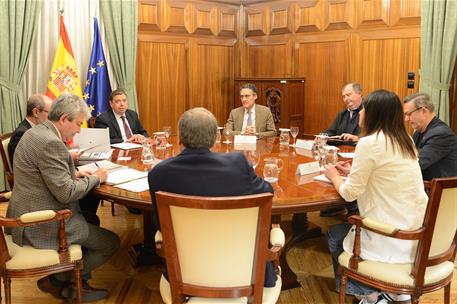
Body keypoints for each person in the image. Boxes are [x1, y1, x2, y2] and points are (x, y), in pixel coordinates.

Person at [6, 93, 120, 302]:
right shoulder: (51, 142)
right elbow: (66, 192)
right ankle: (59, 278)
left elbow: (41, 172)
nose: (78, 130)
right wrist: (96, 178)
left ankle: (76, 281)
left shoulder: (35, 132)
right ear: (64, 118)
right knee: (111, 243)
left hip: (24, 211)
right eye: (77, 124)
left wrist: (73, 173)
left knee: (91, 218)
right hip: (41, 222)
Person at [148, 107, 277, 287]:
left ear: (180, 136)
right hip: (246, 271)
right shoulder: (237, 164)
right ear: (215, 136)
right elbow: (267, 192)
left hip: (184, 272)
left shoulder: (159, 173)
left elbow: (159, 223)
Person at [324, 89, 428, 304]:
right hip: (417, 233)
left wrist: (334, 175)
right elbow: (387, 177)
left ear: (373, 114)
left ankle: (371, 296)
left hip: (390, 235)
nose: (360, 114)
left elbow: (349, 194)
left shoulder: (369, 143)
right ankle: (392, 292)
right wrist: (351, 172)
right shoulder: (405, 140)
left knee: (334, 235)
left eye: (363, 110)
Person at [320, 82, 363, 217]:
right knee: (328, 167)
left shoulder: (367, 113)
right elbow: (331, 131)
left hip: (358, 155)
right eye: (343, 96)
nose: (346, 99)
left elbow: (374, 136)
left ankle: (352, 206)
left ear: (359, 93)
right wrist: (322, 136)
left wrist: (356, 137)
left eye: (349, 95)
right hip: (340, 155)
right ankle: (336, 204)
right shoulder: (342, 114)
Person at [403, 92, 457, 180]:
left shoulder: (442, 134)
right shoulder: (418, 133)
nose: (406, 119)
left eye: (409, 114)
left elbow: (416, 164)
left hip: (439, 191)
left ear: (423, 110)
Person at [8, 94, 53, 166]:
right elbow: (26, 166)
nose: (51, 117)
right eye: (50, 113)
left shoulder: (38, 129)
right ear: (36, 112)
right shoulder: (22, 134)